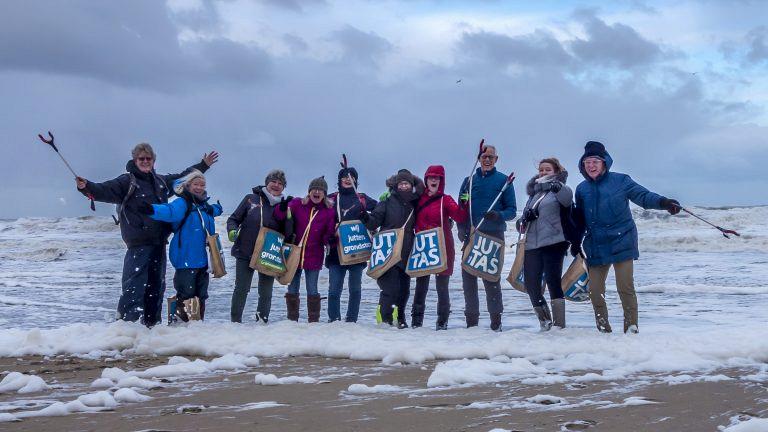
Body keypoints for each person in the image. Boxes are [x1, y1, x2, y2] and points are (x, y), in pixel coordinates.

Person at [75, 143, 217, 327]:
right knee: (134, 286)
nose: (145, 161)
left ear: (153, 161)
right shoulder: (127, 182)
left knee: (156, 288)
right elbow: (104, 190)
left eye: (148, 158)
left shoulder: (159, 181)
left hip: (158, 242)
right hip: (138, 244)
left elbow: (183, 177)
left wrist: (203, 165)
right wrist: (87, 187)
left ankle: (152, 326)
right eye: (141, 158)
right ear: (135, 160)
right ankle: (126, 327)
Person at [574, 141, 680, 334]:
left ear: (604, 162)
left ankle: (631, 328)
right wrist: (575, 241)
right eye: (587, 162)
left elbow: (643, 196)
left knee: (625, 287)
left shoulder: (621, 181)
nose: (591, 165)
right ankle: (603, 329)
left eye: (595, 161)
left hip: (622, 239)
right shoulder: (581, 189)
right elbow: (580, 219)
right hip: (596, 244)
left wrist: (664, 203)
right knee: (595, 291)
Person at [141, 170, 223, 321]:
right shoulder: (182, 203)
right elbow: (169, 211)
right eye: (196, 184)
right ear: (188, 185)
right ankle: (180, 328)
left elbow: (215, 211)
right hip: (185, 258)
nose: (199, 187)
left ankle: (197, 327)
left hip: (204, 260)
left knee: (201, 295)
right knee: (186, 294)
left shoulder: (204, 206)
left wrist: (218, 208)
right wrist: (151, 209)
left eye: (202, 185)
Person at [458, 145, 517, 331]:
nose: (487, 160)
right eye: (484, 156)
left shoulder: (504, 181)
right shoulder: (469, 181)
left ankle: (495, 322)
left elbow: (512, 211)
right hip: (472, 235)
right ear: (479, 158)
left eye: (491, 157)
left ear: (496, 159)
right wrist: (462, 229)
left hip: (493, 235)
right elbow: (462, 208)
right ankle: (472, 323)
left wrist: (498, 215)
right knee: (468, 279)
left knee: (491, 280)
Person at [227, 170, 290, 324]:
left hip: (268, 254)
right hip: (245, 250)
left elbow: (288, 234)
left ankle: (262, 324)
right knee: (242, 289)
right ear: (267, 182)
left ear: (283, 187)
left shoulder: (284, 206)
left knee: (266, 292)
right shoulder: (251, 199)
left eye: (280, 183)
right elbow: (233, 219)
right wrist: (232, 231)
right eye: (273, 181)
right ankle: (235, 323)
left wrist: (288, 217)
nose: (276, 185)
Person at [363, 169, 423, 328]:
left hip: (407, 253)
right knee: (390, 290)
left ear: (411, 186)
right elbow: (373, 222)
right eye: (401, 183)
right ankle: (385, 322)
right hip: (388, 252)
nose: (404, 186)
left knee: (404, 291)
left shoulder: (415, 203)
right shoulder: (387, 201)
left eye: (407, 183)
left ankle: (400, 320)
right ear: (396, 185)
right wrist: (364, 216)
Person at [518, 158, 573, 331]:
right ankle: (545, 322)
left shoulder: (561, 189)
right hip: (532, 244)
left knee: (552, 281)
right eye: (541, 170)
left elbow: (567, 200)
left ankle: (559, 326)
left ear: (556, 172)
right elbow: (520, 226)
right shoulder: (533, 194)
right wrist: (524, 218)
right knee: (531, 284)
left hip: (554, 242)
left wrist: (558, 187)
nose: (543, 173)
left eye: (547, 170)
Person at [411, 165, 468, 330]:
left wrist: (464, 203)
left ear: (441, 180)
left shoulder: (446, 199)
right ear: (426, 179)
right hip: (423, 247)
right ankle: (416, 323)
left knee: (442, 287)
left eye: (437, 177)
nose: (434, 180)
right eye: (431, 177)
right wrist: (390, 194)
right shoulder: (418, 199)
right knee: (421, 287)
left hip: (443, 246)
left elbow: (460, 216)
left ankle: (442, 325)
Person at [274, 177, 336, 322]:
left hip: (314, 255)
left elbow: (327, 235)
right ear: (309, 191)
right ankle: (292, 321)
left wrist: (331, 240)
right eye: (314, 189)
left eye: (320, 190)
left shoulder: (328, 212)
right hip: (294, 253)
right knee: (292, 288)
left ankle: (313, 322)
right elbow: (280, 217)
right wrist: (282, 208)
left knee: (312, 289)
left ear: (325, 194)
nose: (317, 192)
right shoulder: (297, 203)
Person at [326, 167, 377, 323]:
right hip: (336, 251)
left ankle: (351, 322)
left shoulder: (361, 198)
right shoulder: (331, 199)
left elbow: (380, 211)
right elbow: (317, 214)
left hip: (357, 249)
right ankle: (334, 321)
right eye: (344, 177)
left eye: (351, 177)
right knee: (334, 290)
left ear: (355, 180)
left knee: (355, 290)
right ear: (339, 181)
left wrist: (369, 221)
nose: (348, 180)